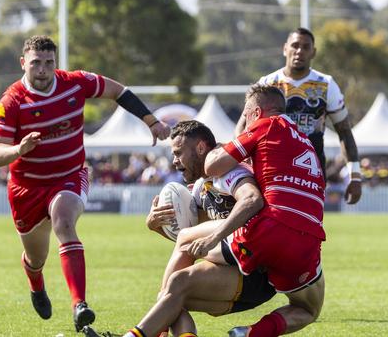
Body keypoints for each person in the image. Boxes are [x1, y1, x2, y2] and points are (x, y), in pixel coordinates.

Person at [0, 35, 170, 332]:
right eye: (36, 63)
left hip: (69, 176)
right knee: (36, 257)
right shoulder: (11, 102)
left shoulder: (75, 82)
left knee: (64, 222)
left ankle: (79, 305)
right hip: (27, 189)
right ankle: (36, 283)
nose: (43, 70)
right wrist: (19, 150)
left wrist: (151, 121)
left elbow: (118, 91)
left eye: (49, 63)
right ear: (24, 63)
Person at [189, 83, 326, 336]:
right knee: (309, 310)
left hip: (270, 227)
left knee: (185, 245)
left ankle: (161, 319)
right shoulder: (303, 139)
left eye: (245, 114)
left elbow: (213, 166)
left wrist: (221, 148)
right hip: (310, 236)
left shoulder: (265, 125)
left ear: (255, 113)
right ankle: (250, 333)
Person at [116, 120, 275, 337]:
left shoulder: (229, 171)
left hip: (257, 272)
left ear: (201, 148)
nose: (174, 161)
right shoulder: (201, 187)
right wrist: (156, 227)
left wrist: (203, 237)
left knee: (173, 289)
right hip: (235, 275)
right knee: (169, 298)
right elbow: (195, 244)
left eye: (178, 153)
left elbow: (251, 200)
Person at [236, 27, 361, 204]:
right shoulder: (268, 82)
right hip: (272, 167)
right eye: (295, 45)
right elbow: (242, 126)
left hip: (310, 168)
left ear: (313, 52)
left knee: (307, 224)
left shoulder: (326, 84)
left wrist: (355, 176)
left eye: (306, 46)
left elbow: (345, 132)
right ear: (285, 48)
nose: (299, 51)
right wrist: (245, 161)